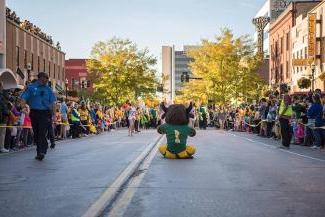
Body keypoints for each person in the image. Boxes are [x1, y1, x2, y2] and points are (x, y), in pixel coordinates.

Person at [20, 72, 56, 161]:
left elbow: (53, 103)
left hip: (45, 113)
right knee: (36, 133)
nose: (47, 80)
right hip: (34, 112)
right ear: (40, 78)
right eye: (46, 78)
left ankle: (41, 152)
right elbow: (23, 98)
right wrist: (23, 107)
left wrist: (54, 115)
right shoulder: (31, 87)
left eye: (48, 78)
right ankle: (40, 150)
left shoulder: (48, 89)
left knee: (41, 132)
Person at [0, 82, 10, 153]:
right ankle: (1, 147)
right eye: (2, 86)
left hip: (2, 116)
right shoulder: (2, 96)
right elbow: (3, 106)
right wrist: (7, 112)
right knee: (2, 133)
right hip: (2, 117)